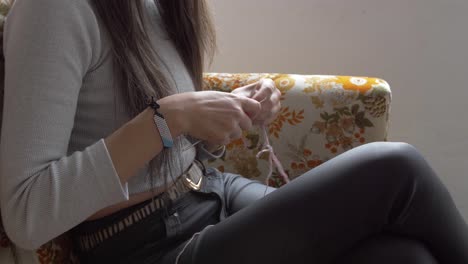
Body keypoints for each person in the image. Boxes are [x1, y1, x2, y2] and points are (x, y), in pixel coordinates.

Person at [0, 0, 467, 263]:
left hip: (212, 194)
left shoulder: (163, 6)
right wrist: (166, 119)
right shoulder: (53, 10)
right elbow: (25, 214)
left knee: (402, 258)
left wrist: (223, 114)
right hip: (140, 246)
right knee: (394, 167)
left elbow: (169, 147)